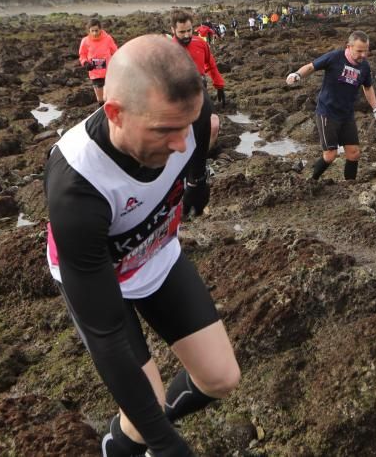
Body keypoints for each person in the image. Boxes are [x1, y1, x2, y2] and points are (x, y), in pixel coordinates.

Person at [45, 35, 240, 456]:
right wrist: (167, 443)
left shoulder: (189, 113)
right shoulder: (77, 186)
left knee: (221, 379)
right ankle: (119, 446)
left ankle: (144, 433)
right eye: (165, 131)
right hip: (101, 280)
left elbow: (198, 140)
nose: (178, 144)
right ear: (115, 113)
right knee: (145, 408)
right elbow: (106, 331)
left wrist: (197, 181)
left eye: (185, 126)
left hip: (156, 256)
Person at [285, 31, 376, 181]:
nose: (363, 55)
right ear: (349, 46)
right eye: (359, 51)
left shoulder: (364, 66)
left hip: (346, 114)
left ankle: (349, 185)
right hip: (327, 112)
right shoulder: (335, 57)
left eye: (366, 51)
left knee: (354, 153)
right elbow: (311, 66)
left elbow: (368, 87)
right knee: (330, 155)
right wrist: (297, 75)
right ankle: (310, 181)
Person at [171, 9, 226, 108]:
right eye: (182, 32)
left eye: (189, 30)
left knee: (211, 122)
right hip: (177, 96)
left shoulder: (200, 43)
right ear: (173, 30)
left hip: (200, 90)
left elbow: (210, 64)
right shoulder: (166, 49)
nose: (187, 35)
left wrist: (219, 85)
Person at [78, 18, 119, 106]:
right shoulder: (85, 41)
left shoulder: (107, 39)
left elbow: (116, 52)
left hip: (108, 72)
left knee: (110, 97)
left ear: (100, 29)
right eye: (92, 31)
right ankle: (102, 114)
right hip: (94, 73)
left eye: (96, 30)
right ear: (88, 31)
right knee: (100, 100)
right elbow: (82, 55)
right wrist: (85, 63)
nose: (95, 33)